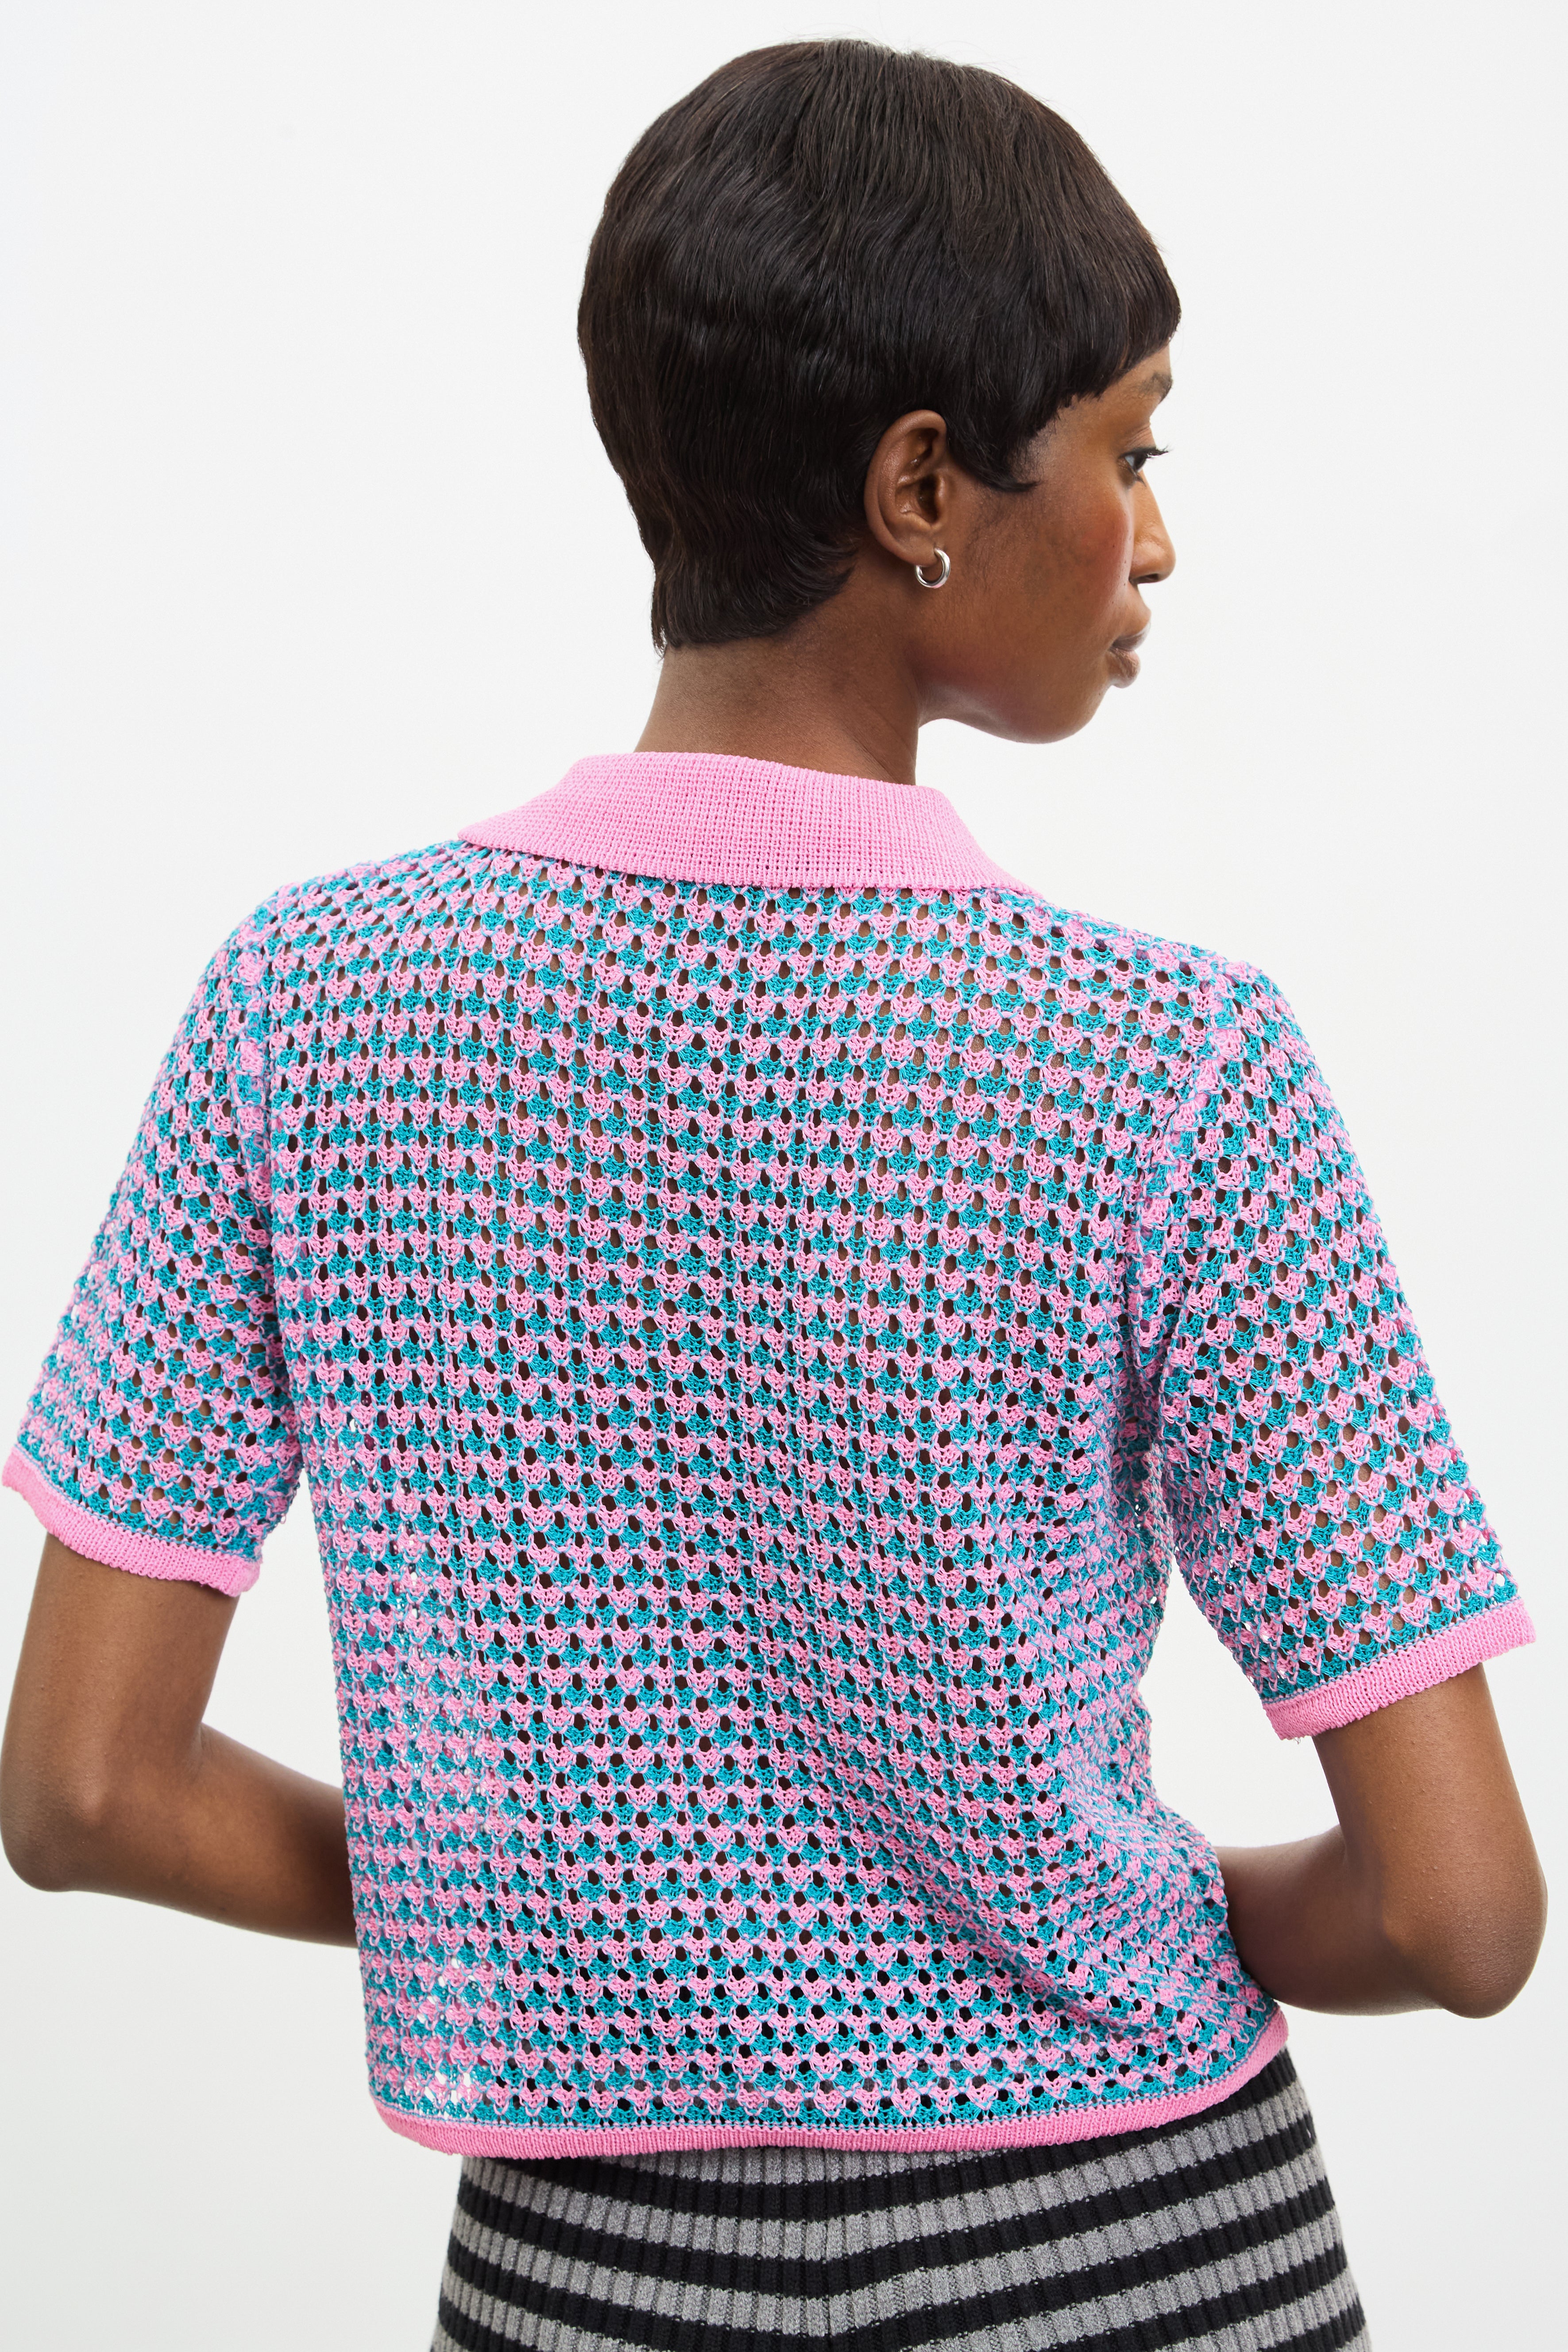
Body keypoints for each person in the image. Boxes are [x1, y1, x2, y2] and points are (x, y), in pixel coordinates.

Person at [1, 38, 1544, 2352]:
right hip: (1134, 2266)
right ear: (922, 484)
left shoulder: (301, 1013)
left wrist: (550, 1920)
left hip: (585, 2280)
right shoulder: (1169, 1067)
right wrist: (1108, 1905)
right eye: (1130, 452)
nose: (1152, 538)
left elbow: (82, 1786)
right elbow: (1459, 1915)